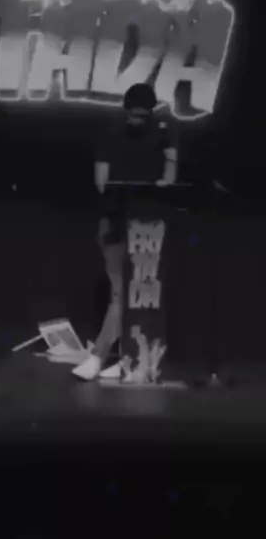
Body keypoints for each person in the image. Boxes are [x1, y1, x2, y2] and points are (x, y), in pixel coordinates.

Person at [72, 83, 178, 380]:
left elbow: (171, 170)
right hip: (115, 223)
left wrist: (164, 182)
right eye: (133, 114)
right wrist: (118, 196)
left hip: (149, 227)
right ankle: (104, 357)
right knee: (121, 293)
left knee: (140, 297)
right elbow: (101, 181)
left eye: (143, 115)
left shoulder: (164, 132)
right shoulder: (110, 134)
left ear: (151, 112)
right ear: (125, 111)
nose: (137, 120)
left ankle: (124, 358)